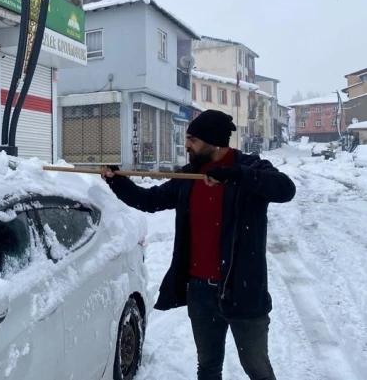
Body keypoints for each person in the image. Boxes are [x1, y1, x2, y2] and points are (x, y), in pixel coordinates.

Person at [101, 109, 295, 380]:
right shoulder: (189, 176)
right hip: (201, 291)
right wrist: (118, 183)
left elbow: (286, 189)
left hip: (244, 290)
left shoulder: (251, 168)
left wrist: (236, 175)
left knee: (257, 369)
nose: (186, 145)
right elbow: (151, 200)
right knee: (208, 368)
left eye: (192, 139)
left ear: (213, 141)